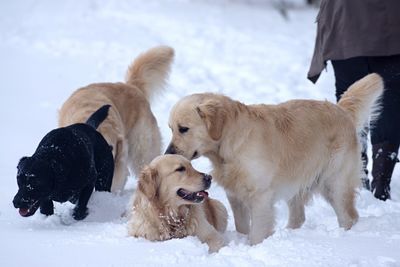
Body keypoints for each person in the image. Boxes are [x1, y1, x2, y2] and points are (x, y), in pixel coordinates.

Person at [307, 0, 400, 201]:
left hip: (345, 23)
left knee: (351, 99)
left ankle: (359, 173)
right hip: (390, 24)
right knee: (389, 100)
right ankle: (380, 179)